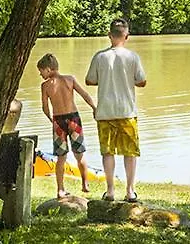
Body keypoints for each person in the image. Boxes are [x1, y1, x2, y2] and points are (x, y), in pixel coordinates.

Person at [86, 18, 147, 203]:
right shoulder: (132, 57)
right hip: (127, 111)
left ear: (109, 35)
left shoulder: (100, 57)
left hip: (105, 112)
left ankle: (110, 190)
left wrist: (106, 78)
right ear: (126, 36)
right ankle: (130, 191)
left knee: (108, 152)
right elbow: (142, 81)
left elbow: (89, 80)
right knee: (130, 152)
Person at [38, 53, 97, 198]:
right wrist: (94, 108)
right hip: (74, 119)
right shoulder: (70, 79)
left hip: (58, 120)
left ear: (48, 69)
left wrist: (51, 120)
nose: (40, 74)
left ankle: (60, 189)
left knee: (61, 157)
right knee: (79, 154)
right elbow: (84, 94)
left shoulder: (45, 86)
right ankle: (85, 184)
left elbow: (45, 107)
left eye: (41, 71)